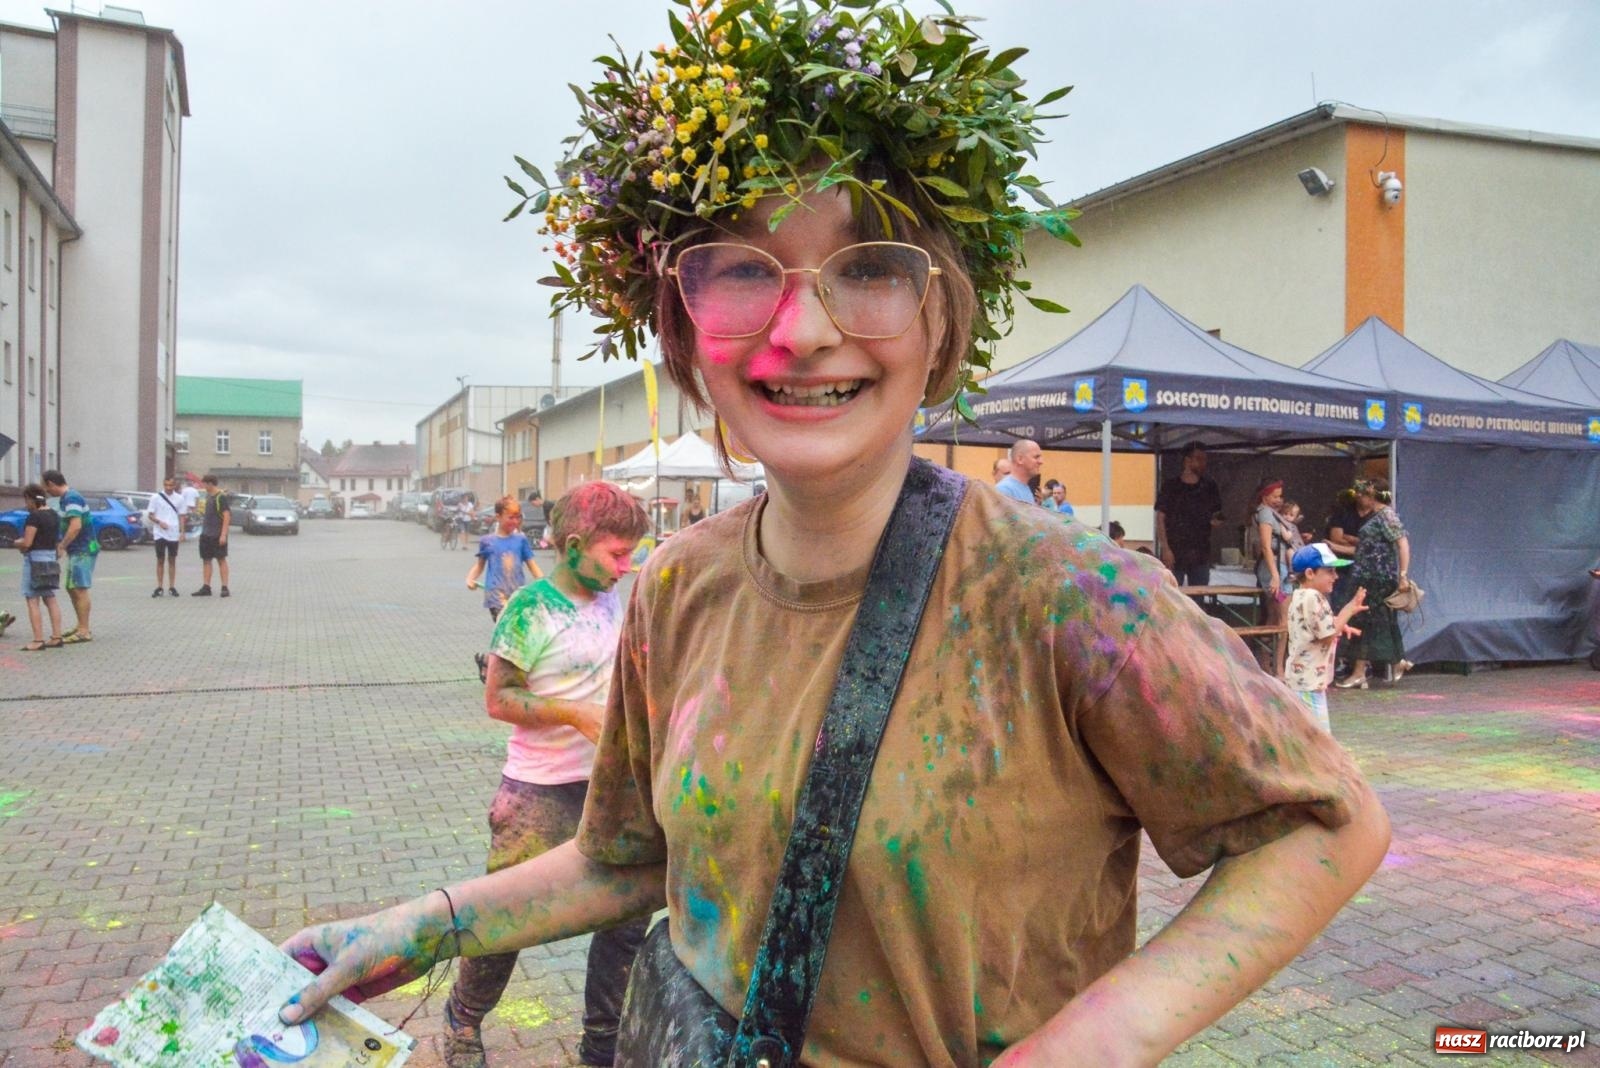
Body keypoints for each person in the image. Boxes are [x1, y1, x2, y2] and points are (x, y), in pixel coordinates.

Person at [279, 8, 1389, 1065]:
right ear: (684, 333)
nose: (803, 331)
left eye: (867, 270)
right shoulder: (676, 589)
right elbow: (626, 860)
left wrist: (1100, 1038)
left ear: (940, 317)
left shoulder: (1069, 596)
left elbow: (1324, 828)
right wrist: (413, 930)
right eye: (741, 273)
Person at [443, 482, 650, 1068]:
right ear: (576, 545)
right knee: (506, 921)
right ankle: (463, 1021)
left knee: (626, 922)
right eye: (616, 553)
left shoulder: (615, 600)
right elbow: (499, 699)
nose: (625, 566)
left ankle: (600, 1047)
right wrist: (574, 713)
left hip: (614, 789)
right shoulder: (529, 610)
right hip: (539, 792)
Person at [1336, 479, 1413, 689]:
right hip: (1367, 574)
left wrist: (1403, 574)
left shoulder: (1386, 514)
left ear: (1373, 495)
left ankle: (1362, 671)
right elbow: (1371, 546)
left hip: (1376, 577)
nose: (1360, 498)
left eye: (1363, 494)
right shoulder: (1377, 516)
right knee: (1371, 621)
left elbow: (1402, 543)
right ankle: (1395, 661)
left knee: (1367, 621)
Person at [1284, 544, 1368, 732]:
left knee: (1307, 738)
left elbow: (1316, 626)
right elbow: (1327, 635)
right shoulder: (1313, 597)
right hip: (1309, 683)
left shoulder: (1300, 596)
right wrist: (1349, 609)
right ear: (1310, 573)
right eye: (1329, 571)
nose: (1335, 577)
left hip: (1303, 681)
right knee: (1320, 739)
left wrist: (1339, 623)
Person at [1154, 443, 1223, 586]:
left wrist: (1216, 521)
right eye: (1200, 459)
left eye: (1205, 459)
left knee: (1198, 595)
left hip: (1200, 551)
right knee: (1172, 594)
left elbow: (1218, 514)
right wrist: (1165, 548)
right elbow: (1160, 517)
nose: (1203, 463)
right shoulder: (1171, 486)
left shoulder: (1209, 486)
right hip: (1175, 550)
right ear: (1187, 460)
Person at [466, 497, 543, 622]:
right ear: (498, 517)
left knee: (516, 634)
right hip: (496, 597)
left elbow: (533, 566)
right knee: (508, 628)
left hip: (517, 596)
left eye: (517, 517)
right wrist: (470, 578)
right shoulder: (487, 541)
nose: (515, 521)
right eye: (510, 517)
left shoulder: (521, 540)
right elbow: (480, 565)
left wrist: (543, 584)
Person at [43, 470, 95, 643]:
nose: (46, 491)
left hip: (83, 550)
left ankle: (84, 630)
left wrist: (62, 546)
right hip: (78, 550)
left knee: (79, 588)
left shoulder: (71, 498)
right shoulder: (67, 498)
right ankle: (80, 625)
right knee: (72, 587)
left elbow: (75, 526)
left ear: (51, 483)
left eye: (46, 486)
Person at [14, 483, 64, 651]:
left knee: (32, 599)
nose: (26, 504)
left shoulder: (34, 516)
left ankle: (37, 639)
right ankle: (57, 636)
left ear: (30, 499)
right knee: (50, 597)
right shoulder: (54, 515)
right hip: (51, 558)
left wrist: (17, 543)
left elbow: (27, 542)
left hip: (35, 559)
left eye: (26, 500)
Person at [1250, 477, 1297, 632]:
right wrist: (1275, 575)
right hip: (1274, 568)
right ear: (1265, 496)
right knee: (1283, 616)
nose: (1279, 500)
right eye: (1275, 496)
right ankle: (1275, 654)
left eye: (1280, 496)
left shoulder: (1272, 513)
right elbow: (1266, 545)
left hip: (1281, 567)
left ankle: (1269, 653)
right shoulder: (1265, 513)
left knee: (1276, 617)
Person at [143, 475, 188, 597]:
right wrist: (159, 522)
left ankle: (172, 586)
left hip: (173, 533)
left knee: (172, 559)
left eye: (171, 485)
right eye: (166, 485)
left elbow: (182, 516)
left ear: (174, 486)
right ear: (163, 485)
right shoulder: (156, 498)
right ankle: (159, 586)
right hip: (159, 533)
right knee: (160, 559)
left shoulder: (179, 499)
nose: (168, 487)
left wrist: (182, 532)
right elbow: (150, 515)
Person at [192, 475, 231, 598]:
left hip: (217, 535)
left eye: (204, 484)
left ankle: (224, 587)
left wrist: (223, 534)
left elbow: (227, 516)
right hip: (206, 534)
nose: (203, 487)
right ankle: (206, 587)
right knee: (206, 560)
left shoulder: (221, 497)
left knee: (221, 559)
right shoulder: (208, 496)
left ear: (210, 484)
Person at [995, 439, 1042, 505]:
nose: (1041, 461)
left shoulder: (1026, 488)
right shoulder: (1004, 490)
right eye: (1036, 457)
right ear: (1020, 459)